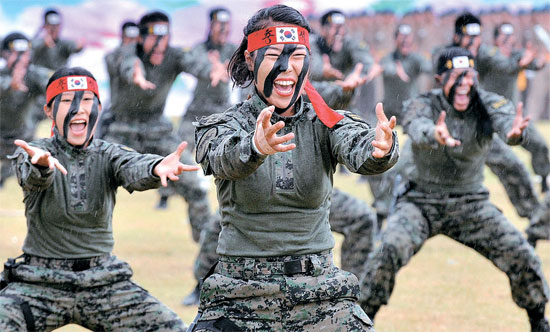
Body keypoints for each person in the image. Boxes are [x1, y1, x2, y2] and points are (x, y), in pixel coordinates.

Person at [190, 5, 398, 331]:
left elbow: (357, 144)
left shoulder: (325, 120)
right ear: (249, 58)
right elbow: (220, 157)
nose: (287, 68)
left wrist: (380, 150)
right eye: (274, 55)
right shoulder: (221, 126)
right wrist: (255, 147)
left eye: (298, 55)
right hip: (240, 296)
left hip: (321, 294)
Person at [358, 47, 550, 332]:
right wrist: (434, 133)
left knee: (521, 254)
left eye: (469, 76)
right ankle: (362, 320)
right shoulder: (423, 102)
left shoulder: (487, 102)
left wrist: (514, 133)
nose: (464, 84)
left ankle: (538, 321)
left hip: (470, 203)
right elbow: (417, 124)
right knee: (388, 249)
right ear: (440, 79)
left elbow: (507, 121)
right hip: (420, 201)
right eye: (455, 77)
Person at [0, 67, 192, 331]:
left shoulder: (108, 154)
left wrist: (155, 167)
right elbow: (32, 176)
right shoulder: (35, 152)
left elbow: (132, 166)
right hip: (39, 283)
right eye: (67, 101)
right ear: (48, 111)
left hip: (103, 281)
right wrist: (42, 166)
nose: (79, 109)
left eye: (87, 100)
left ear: (99, 109)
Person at [103, 11, 222, 243]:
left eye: (165, 38)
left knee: (196, 187)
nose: (160, 45)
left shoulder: (173, 55)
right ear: (140, 38)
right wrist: (135, 72)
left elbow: (194, 64)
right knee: (93, 180)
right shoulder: (122, 53)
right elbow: (127, 63)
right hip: (119, 130)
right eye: (154, 39)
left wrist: (211, 70)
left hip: (158, 129)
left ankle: (210, 247)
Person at [0, 33, 51, 188]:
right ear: (4, 54)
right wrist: (11, 85)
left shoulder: (35, 75)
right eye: (16, 53)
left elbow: (53, 91)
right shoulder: (2, 75)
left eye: (25, 53)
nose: (21, 58)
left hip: (22, 137)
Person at [96, 21, 140, 139]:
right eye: (129, 38)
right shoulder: (113, 56)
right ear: (122, 37)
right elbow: (119, 68)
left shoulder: (145, 58)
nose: (132, 42)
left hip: (140, 113)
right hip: (116, 111)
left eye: (135, 39)